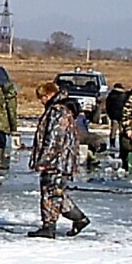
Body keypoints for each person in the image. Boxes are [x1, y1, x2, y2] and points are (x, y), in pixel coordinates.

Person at [27, 80, 91, 238]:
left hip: (56, 161)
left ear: (48, 95)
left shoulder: (57, 110)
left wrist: (44, 160)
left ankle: (49, 226)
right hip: (62, 160)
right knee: (56, 192)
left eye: (41, 98)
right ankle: (79, 218)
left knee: (50, 193)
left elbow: (55, 138)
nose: (41, 101)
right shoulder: (62, 109)